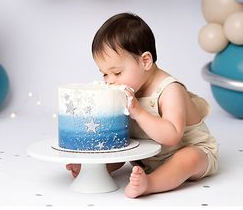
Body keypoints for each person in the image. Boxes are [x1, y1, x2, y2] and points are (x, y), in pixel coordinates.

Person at [66, 13, 218, 198]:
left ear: (145, 61)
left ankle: (151, 184)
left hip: (189, 150)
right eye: (105, 74)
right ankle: (93, 170)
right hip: (146, 156)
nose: (110, 81)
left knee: (188, 158)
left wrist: (138, 111)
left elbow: (172, 136)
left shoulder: (170, 90)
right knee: (120, 148)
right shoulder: (130, 88)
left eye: (117, 72)